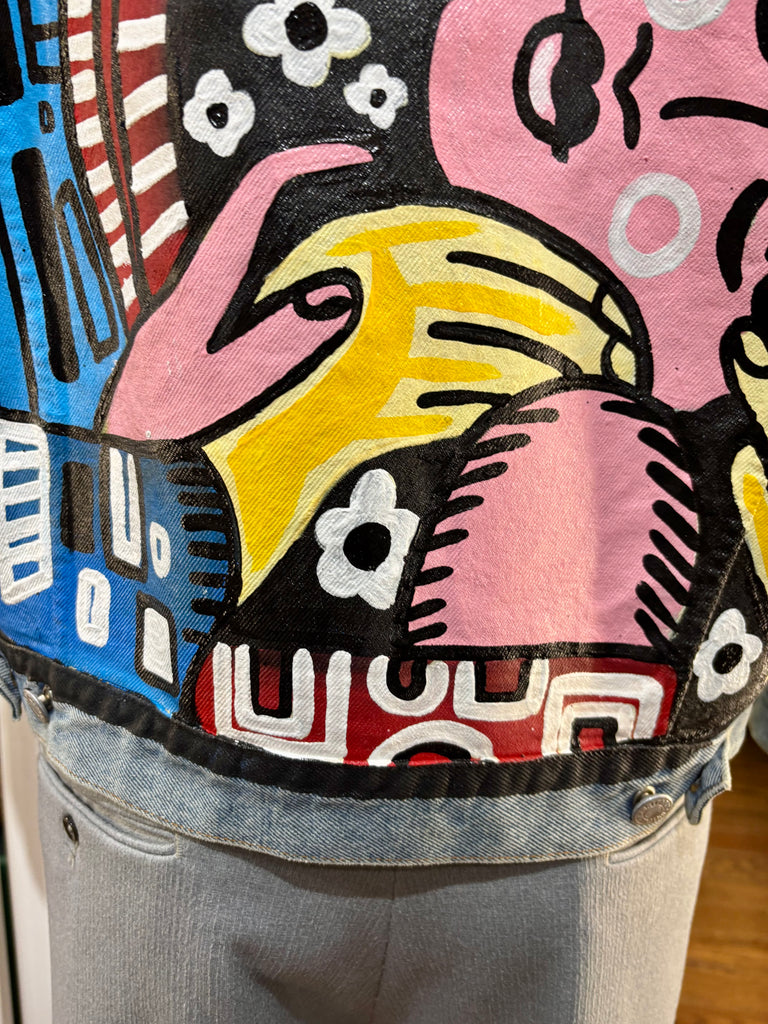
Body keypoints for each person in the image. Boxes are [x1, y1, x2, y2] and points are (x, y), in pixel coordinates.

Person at [1, 0, 766, 1020]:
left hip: (596, 769)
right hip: (177, 750)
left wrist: (142, 467)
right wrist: (146, 462)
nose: (630, 94)